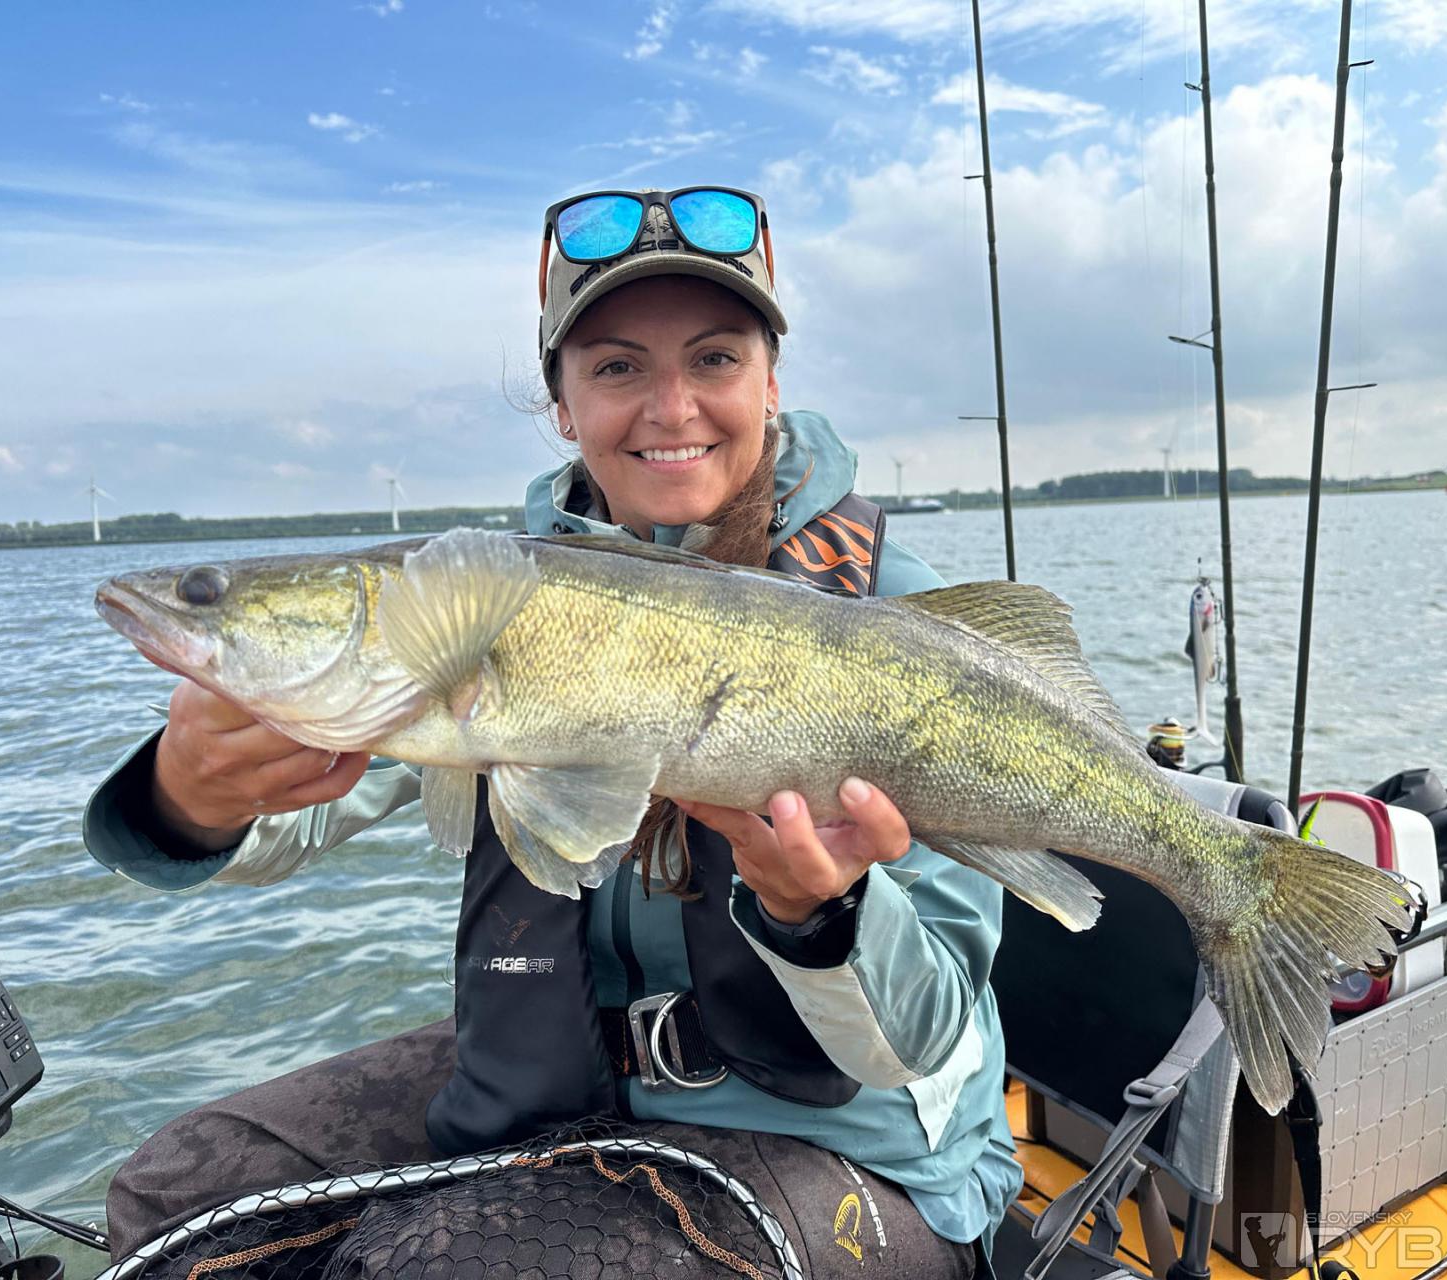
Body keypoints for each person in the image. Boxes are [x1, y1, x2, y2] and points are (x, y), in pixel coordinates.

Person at [83, 186, 1021, 1278]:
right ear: (562, 405)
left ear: (771, 381)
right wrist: (192, 796)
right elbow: (305, 808)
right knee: (176, 1192)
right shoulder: (477, 605)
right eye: (617, 367)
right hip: (564, 1099)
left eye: (715, 358)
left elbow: (921, 1039)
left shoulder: (899, 621)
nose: (670, 407)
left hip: (862, 1154)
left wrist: (825, 915)